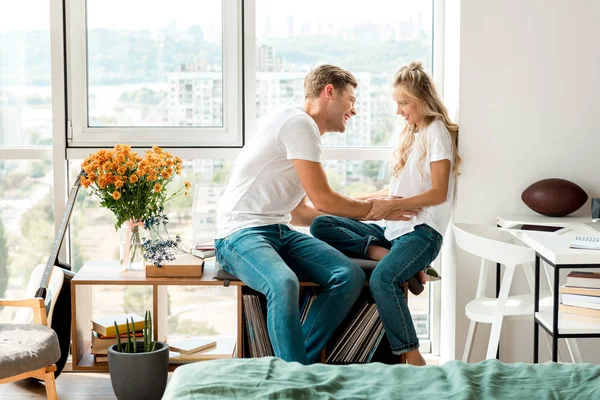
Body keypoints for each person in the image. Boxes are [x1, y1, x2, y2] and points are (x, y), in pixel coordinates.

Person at [214, 64, 418, 365]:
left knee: (346, 275)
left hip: (278, 230)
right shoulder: (299, 124)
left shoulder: (301, 129)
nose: (354, 110)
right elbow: (324, 200)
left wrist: (375, 198)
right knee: (282, 283)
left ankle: (296, 367)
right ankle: (294, 378)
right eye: (351, 100)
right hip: (239, 233)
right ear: (329, 92)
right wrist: (378, 209)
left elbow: (299, 213)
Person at [310, 61, 461, 366]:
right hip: (394, 232)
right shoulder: (415, 135)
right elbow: (392, 192)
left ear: (423, 100)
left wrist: (391, 208)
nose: (399, 111)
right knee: (321, 223)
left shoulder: (436, 132)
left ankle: (412, 355)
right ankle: (383, 254)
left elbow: (438, 193)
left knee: (383, 280)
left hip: (422, 232)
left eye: (404, 103)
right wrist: (359, 203)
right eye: (397, 103)